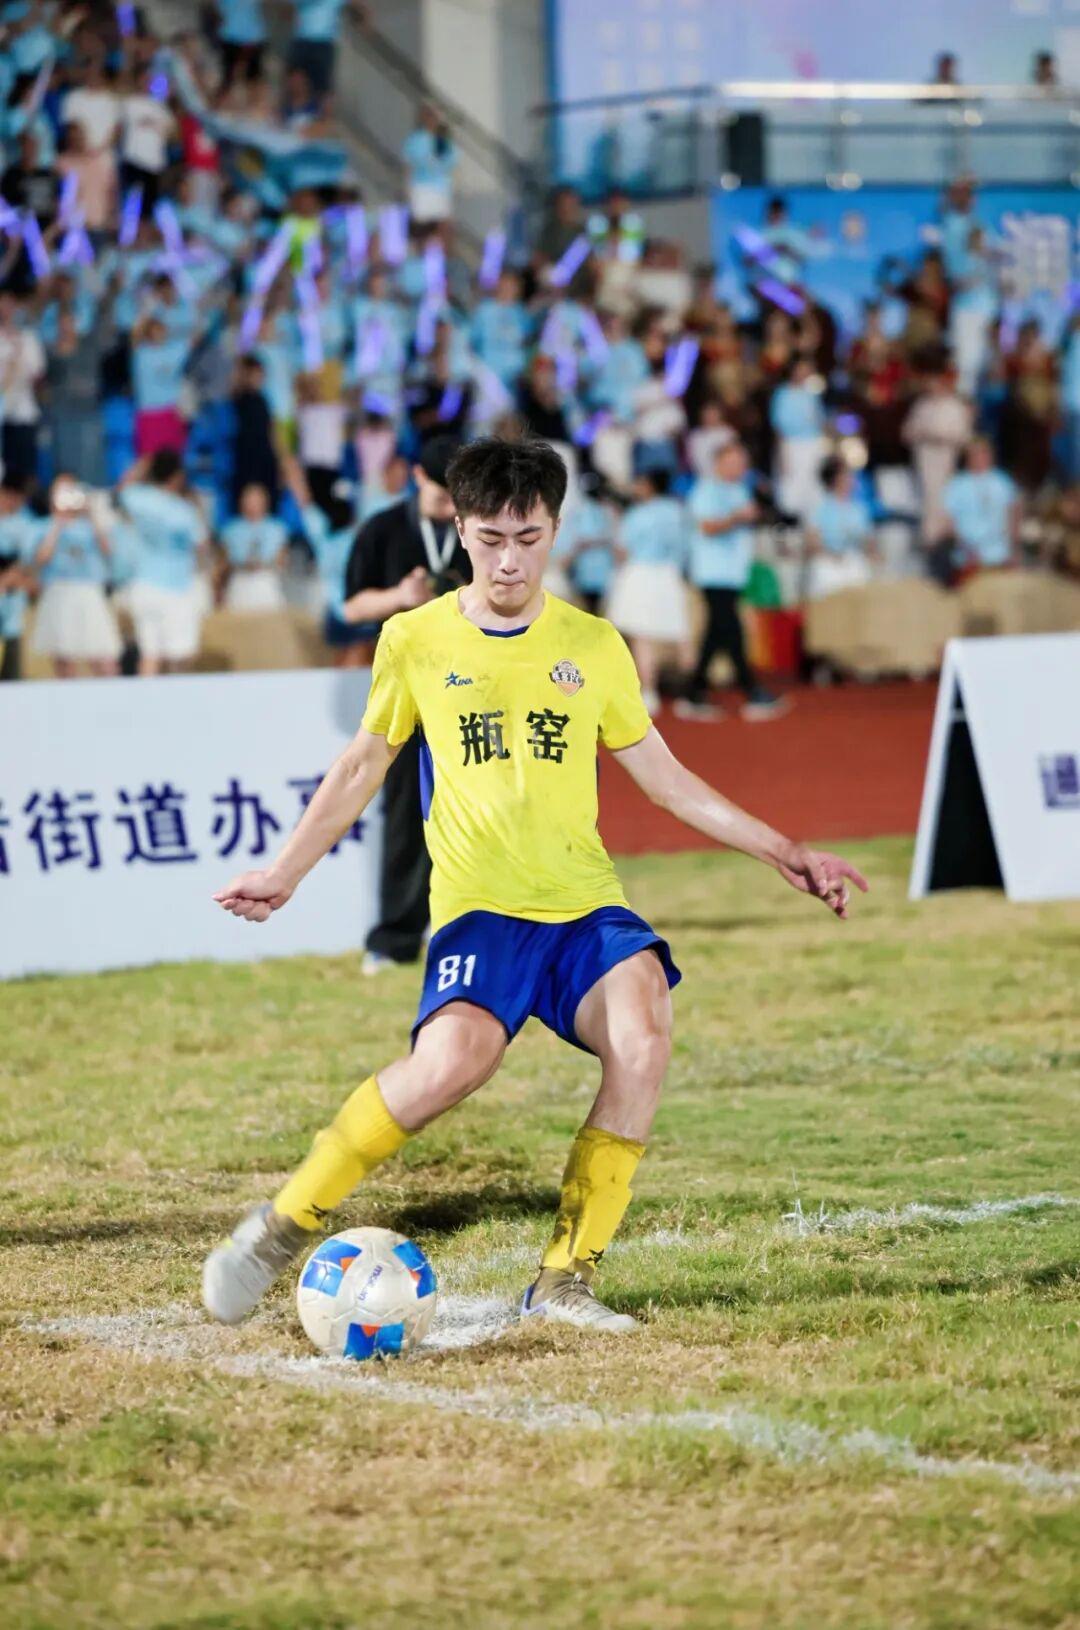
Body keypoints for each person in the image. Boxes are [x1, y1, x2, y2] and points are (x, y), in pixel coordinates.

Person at [202, 434, 869, 1334]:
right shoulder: (414, 638)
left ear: (556, 530)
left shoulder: (593, 644)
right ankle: (281, 1227)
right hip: (481, 911)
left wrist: (785, 850)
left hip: (585, 907)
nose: (509, 560)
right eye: (490, 539)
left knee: (643, 1037)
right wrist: (285, 874)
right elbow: (362, 765)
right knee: (452, 1066)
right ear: (460, 529)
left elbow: (666, 780)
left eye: (529, 537)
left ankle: (564, 1280)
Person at [340, 433, 469, 974]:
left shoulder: (479, 527)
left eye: (457, 497)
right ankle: (395, 937)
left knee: (477, 811)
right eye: (440, 496)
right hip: (407, 693)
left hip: (473, 688)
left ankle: (468, 927)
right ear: (416, 477)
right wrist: (400, 597)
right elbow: (351, 607)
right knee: (403, 816)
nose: (448, 508)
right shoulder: (383, 529)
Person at [679, 440, 786, 723]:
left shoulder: (740, 490)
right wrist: (737, 517)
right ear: (718, 463)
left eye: (742, 463)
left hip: (734, 572)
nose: (739, 468)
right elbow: (707, 526)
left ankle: (694, 692)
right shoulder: (706, 490)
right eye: (733, 462)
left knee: (717, 632)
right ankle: (751, 690)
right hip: (713, 572)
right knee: (731, 630)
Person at [606, 470, 691, 716]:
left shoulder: (637, 514)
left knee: (642, 638)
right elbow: (686, 546)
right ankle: (689, 692)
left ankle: (650, 693)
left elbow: (622, 550)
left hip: (640, 574)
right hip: (669, 575)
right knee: (681, 636)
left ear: (650, 486)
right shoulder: (679, 512)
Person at [118, 450, 208, 675]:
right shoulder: (183, 510)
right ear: (177, 477)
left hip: (142, 586)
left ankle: (146, 696)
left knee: (150, 655)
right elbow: (201, 546)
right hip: (175, 589)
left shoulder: (138, 498)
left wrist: (143, 463)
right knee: (179, 656)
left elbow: (121, 488)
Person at [31, 476, 121, 678]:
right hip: (59, 592)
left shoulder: (90, 525)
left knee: (102, 656)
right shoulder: (43, 525)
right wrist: (57, 524)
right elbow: (41, 558)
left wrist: (91, 514)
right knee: (64, 657)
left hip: (89, 592)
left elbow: (108, 550)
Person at [937, 436, 1020, 585]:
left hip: (999, 556)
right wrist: (965, 548)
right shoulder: (957, 484)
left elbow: (1013, 516)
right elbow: (949, 522)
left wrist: (1014, 549)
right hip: (967, 560)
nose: (979, 458)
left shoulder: (1003, 482)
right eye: (974, 454)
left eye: (983, 453)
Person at [805, 457, 876, 599]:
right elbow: (812, 542)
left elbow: (868, 540)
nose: (851, 479)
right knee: (824, 574)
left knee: (860, 572)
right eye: (846, 474)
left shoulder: (859, 509)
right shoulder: (819, 507)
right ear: (835, 479)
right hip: (827, 560)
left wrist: (872, 553)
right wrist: (832, 556)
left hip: (852, 559)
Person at [0, 472, 44, 681]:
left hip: (13, 605)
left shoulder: (26, 524)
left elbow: (30, 564)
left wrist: (9, 579)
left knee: (13, 672)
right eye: (9, 496)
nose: (13, 502)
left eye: (19, 498)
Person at [0, 292, 45, 486]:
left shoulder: (29, 339)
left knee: (26, 469)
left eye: (11, 305)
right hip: (3, 415)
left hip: (25, 413)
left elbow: (37, 374)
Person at [221, 484, 288, 612]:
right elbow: (224, 561)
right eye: (248, 500)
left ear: (265, 502)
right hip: (240, 579)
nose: (252, 504)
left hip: (265, 579)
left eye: (256, 500)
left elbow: (282, 559)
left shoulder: (277, 528)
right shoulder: (231, 529)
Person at [402, 104, 458, 226]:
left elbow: (451, 163)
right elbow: (408, 165)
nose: (431, 120)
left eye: (433, 117)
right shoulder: (414, 140)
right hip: (421, 187)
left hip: (441, 188)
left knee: (442, 224)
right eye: (428, 116)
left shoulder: (443, 139)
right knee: (421, 225)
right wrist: (407, 188)